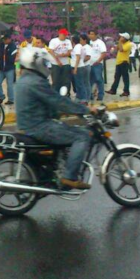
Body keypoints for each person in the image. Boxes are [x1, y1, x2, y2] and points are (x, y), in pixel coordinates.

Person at [16, 47, 98, 190]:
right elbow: (58, 101)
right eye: (44, 63)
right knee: (82, 136)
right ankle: (69, 176)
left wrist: (59, 113)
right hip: (39, 126)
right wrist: (85, 109)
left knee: (68, 131)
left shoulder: (24, 79)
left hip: (29, 124)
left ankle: (58, 167)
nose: (46, 67)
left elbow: (44, 103)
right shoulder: (36, 81)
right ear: (35, 63)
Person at [48, 28, 73, 95]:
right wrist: (58, 60)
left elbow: (70, 52)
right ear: (60, 34)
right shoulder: (54, 41)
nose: (65, 36)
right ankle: (55, 94)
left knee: (66, 81)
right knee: (56, 80)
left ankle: (66, 94)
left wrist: (63, 55)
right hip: (55, 63)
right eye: (64, 35)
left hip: (66, 63)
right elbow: (51, 51)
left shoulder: (68, 41)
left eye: (66, 35)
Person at [107, 33, 132, 97]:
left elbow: (121, 50)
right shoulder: (122, 43)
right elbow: (117, 48)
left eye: (122, 37)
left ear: (125, 38)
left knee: (125, 78)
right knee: (116, 77)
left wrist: (120, 42)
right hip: (119, 62)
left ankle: (126, 91)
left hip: (124, 62)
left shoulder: (128, 44)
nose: (120, 38)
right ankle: (113, 90)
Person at [0, 34, 17, 105]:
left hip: (9, 68)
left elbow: (12, 58)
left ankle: (11, 99)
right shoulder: (1, 45)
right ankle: (2, 96)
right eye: (3, 39)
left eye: (6, 39)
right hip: (2, 68)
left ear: (9, 39)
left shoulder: (13, 46)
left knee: (10, 84)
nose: (4, 41)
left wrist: (6, 54)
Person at [71, 33, 92, 104]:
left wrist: (75, 68)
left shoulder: (77, 47)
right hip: (80, 66)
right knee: (78, 83)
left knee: (80, 84)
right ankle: (79, 98)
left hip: (79, 67)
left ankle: (84, 99)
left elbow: (78, 57)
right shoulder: (79, 46)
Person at [88, 30, 107, 103]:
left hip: (97, 64)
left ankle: (100, 95)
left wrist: (98, 61)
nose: (91, 35)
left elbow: (104, 53)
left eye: (92, 34)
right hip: (89, 64)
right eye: (90, 34)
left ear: (96, 35)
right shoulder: (88, 42)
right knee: (90, 80)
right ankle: (90, 95)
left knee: (99, 79)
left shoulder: (100, 43)